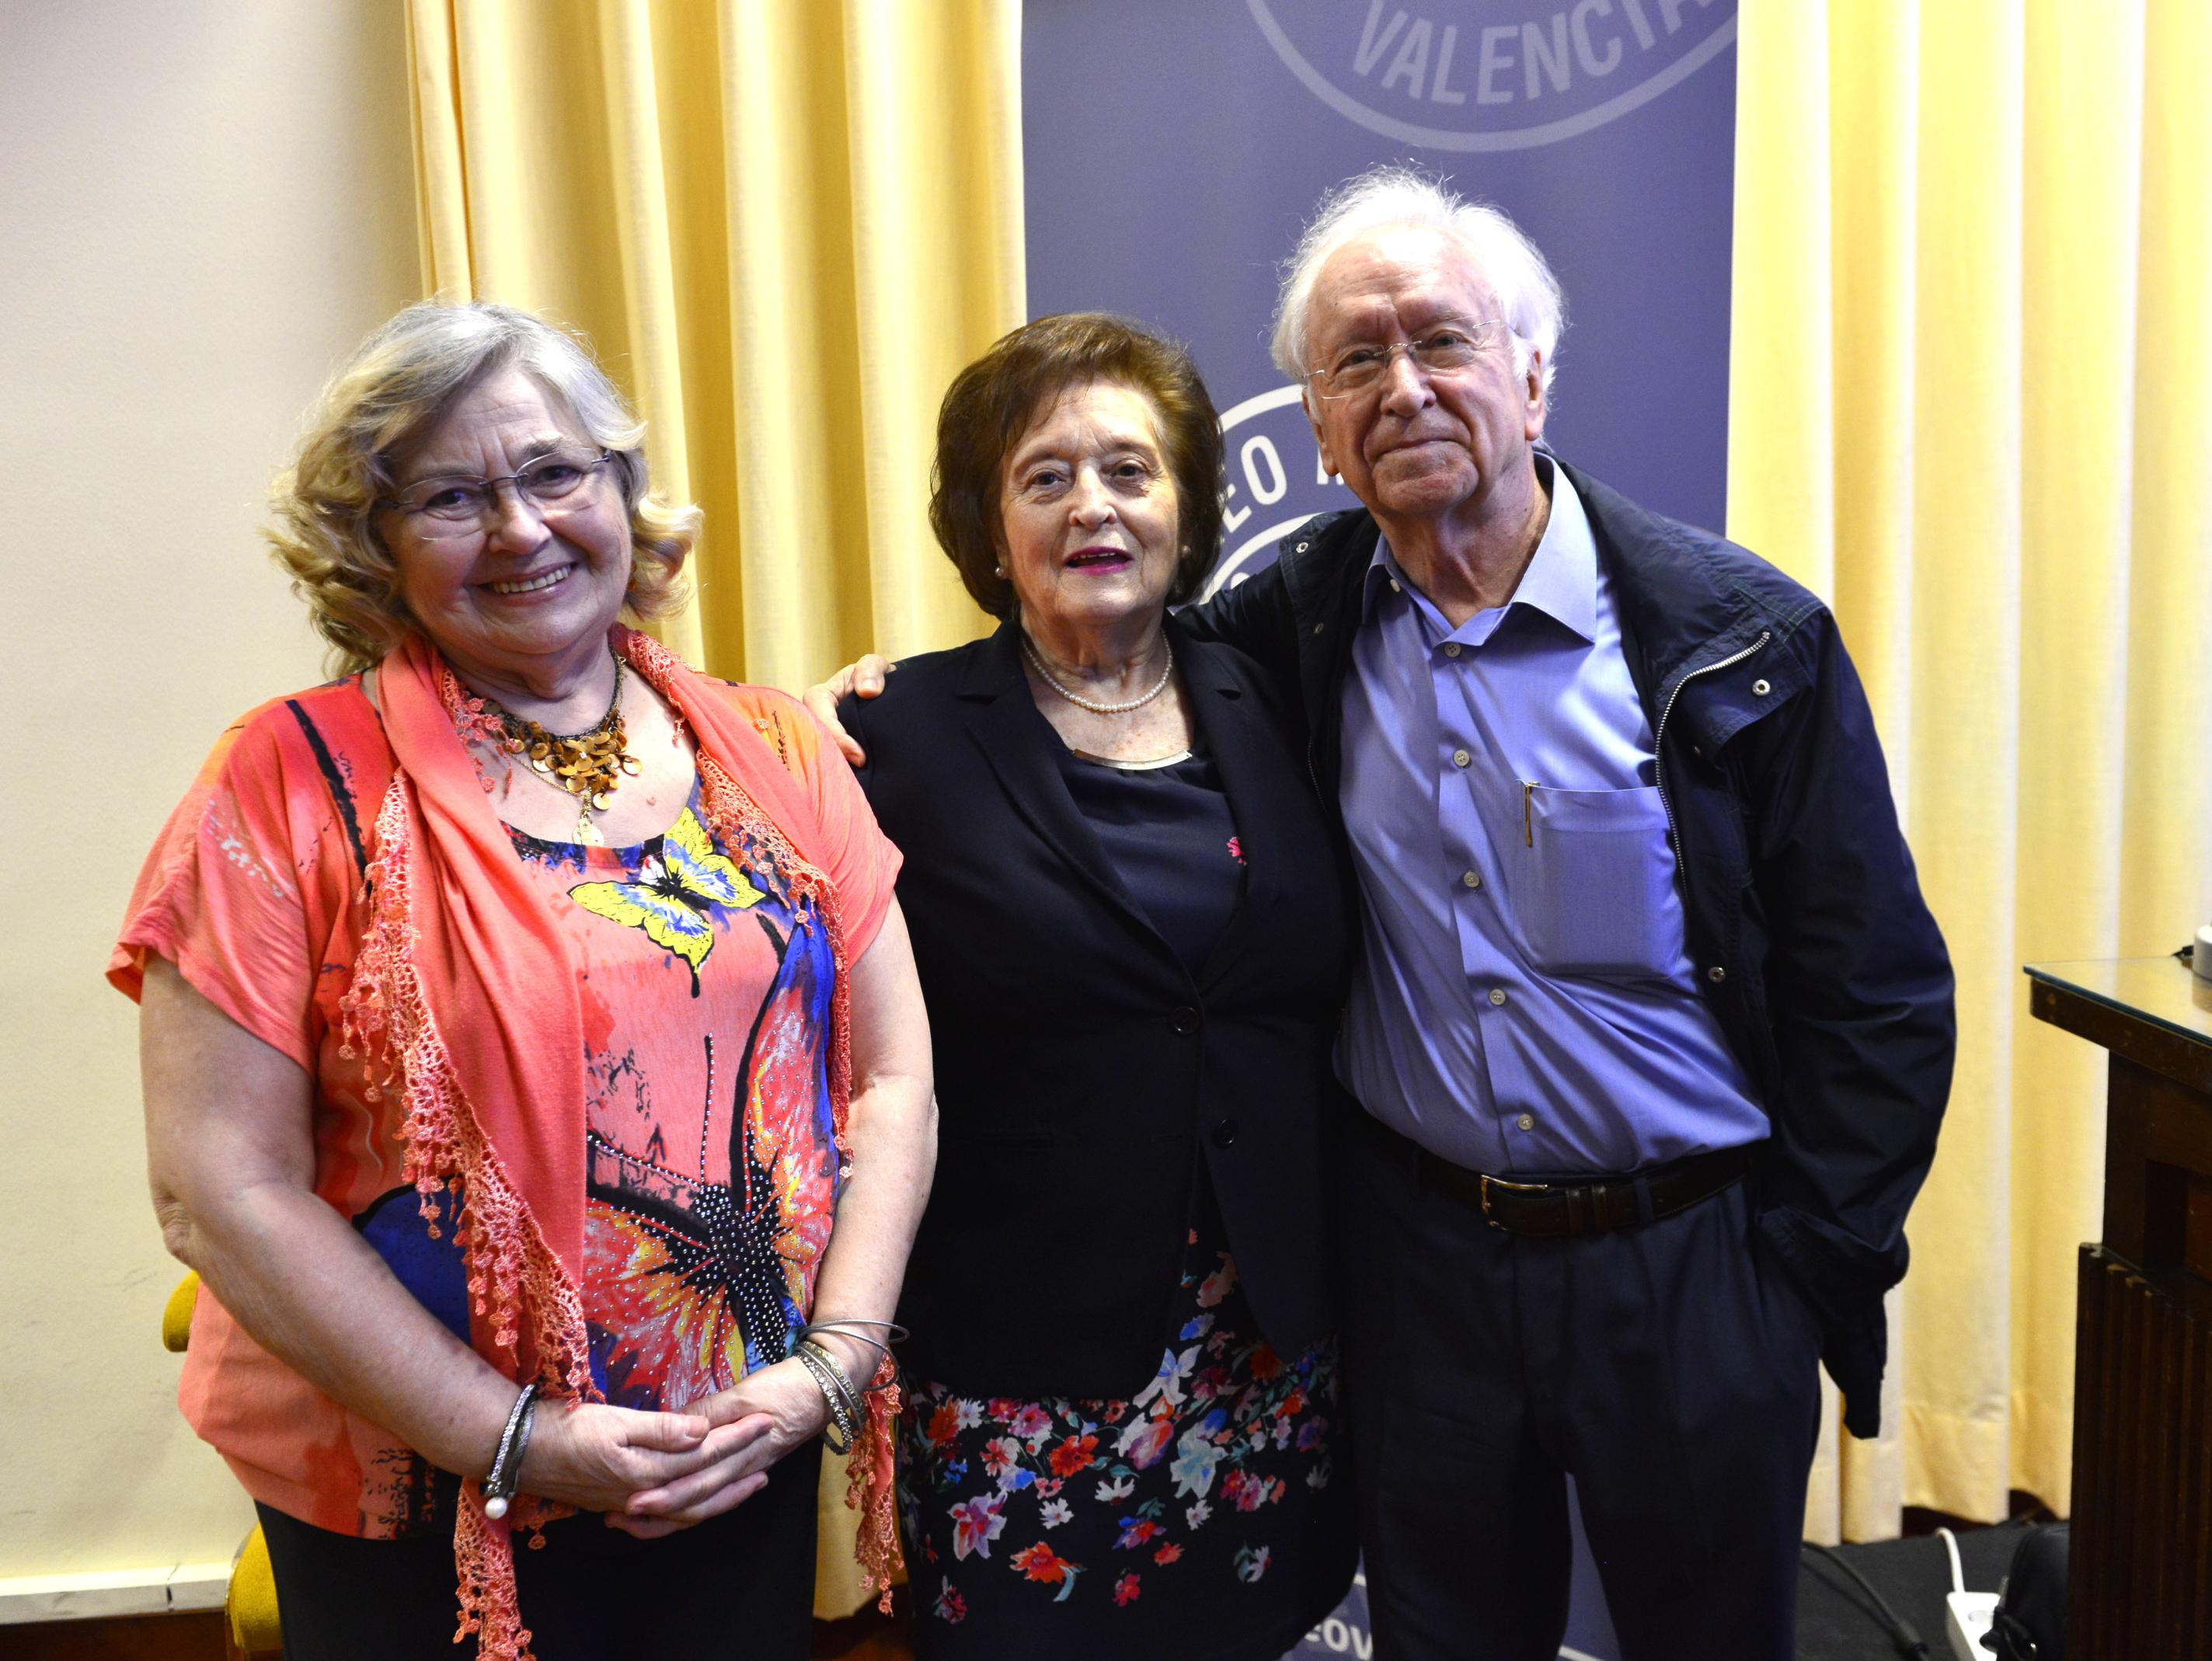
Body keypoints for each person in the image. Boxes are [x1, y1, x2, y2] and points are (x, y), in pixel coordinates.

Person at [813, 172, 1955, 1659]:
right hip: (1420, 1279)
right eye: (1357, 360)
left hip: (1687, 1268)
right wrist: (832, 710)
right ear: (1323, 427)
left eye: (1442, 342)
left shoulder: (1736, 640)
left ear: (1532, 377)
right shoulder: (1291, 630)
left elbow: (1877, 993)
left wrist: (1796, 1274)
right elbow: (1092, 671)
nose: (1403, 388)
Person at [114, 301, 935, 1661]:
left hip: (741, 1454)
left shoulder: (778, 751)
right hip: (418, 1499)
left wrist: (829, 1367)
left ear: (622, 490)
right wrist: (516, 1438)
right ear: (373, 542)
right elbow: (219, 1185)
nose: (519, 528)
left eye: (555, 472)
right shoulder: (284, 783)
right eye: (451, 497)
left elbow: (892, 1079)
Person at [831, 313, 1358, 1659]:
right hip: (1018, 1356)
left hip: (1262, 1340)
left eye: (1130, 469)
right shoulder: (889, 737)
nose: (1094, 506)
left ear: (1186, 503)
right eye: (1045, 476)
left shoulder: (1282, 698)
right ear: (988, 524)